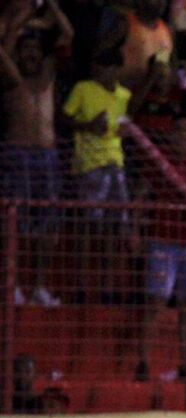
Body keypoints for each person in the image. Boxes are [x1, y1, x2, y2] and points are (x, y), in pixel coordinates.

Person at [136, 114, 186, 384]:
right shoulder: (159, 162)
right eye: (180, 129)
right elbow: (141, 194)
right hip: (163, 238)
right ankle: (143, 363)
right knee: (155, 303)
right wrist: (136, 230)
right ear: (173, 134)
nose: (185, 134)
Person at [0, 4, 71, 307]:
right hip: (18, 155)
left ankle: (40, 286)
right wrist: (24, 19)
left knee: (49, 226)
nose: (30, 54)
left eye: (34, 49)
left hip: (48, 157)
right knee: (12, 223)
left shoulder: (49, 77)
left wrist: (49, 3)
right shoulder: (11, 79)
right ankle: (11, 286)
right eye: (24, 49)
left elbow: (68, 33)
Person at [61, 47, 135, 303]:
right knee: (88, 226)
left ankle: (107, 286)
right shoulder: (83, 89)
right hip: (89, 164)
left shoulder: (124, 95)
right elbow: (63, 119)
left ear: (116, 70)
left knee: (115, 229)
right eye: (97, 66)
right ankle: (81, 285)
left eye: (105, 67)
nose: (99, 71)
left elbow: (125, 124)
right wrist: (88, 126)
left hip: (117, 163)